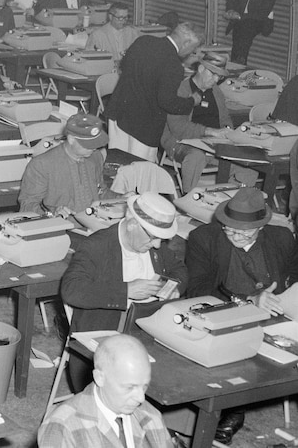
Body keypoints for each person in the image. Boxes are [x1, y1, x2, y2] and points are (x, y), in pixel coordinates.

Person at [185, 188, 298, 445]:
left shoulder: (282, 238)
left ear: (261, 227)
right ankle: (232, 407)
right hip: (226, 318)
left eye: (243, 231)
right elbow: (198, 291)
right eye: (229, 229)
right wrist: (248, 302)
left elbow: (294, 272)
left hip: (277, 316)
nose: (234, 235)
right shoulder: (204, 238)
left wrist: (288, 296)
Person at [61, 193, 186, 391]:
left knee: (185, 368)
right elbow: (71, 290)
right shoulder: (96, 246)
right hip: (109, 328)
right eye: (153, 237)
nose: (157, 245)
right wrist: (126, 290)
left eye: (162, 239)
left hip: (150, 326)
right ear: (131, 224)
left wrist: (173, 288)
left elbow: (179, 270)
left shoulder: (154, 243)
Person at [38, 334, 172, 448]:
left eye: (144, 386)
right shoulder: (62, 427)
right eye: (130, 387)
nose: (141, 398)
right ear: (100, 378)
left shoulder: (151, 416)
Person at [106, 22, 202, 161]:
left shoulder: (143, 40)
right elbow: (167, 102)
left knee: (116, 165)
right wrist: (192, 101)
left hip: (119, 113)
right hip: (144, 126)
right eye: (192, 49)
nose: (189, 54)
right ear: (186, 43)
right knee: (140, 173)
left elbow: (124, 66)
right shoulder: (174, 65)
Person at [160, 53, 234, 191]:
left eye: (220, 76)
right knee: (196, 156)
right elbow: (178, 128)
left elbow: (225, 118)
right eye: (213, 74)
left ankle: (238, 203)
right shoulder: (181, 89)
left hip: (213, 143)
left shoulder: (216, 92)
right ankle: (188, 200)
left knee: (245, 163)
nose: (216, 79)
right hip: (182, 142)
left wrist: (227, 130)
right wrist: (210, 131)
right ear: (201, 69)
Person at [18, 114, 110, 224]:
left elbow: (101, 191)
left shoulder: (96, 157)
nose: (94, 147)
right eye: (89, 144)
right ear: (71, 139)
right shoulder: (41, 165)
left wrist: (122, 198)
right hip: (61, 228)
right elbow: (27, 205)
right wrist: (52, 212)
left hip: (94, 224)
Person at [224, 0, 277, 64]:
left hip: (258, 20)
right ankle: (237, 62)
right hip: (241, 18)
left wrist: (239, 17)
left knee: (244, 30)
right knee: (239, 32)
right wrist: (230, 10)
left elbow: (262, 12)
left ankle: (239, 62)